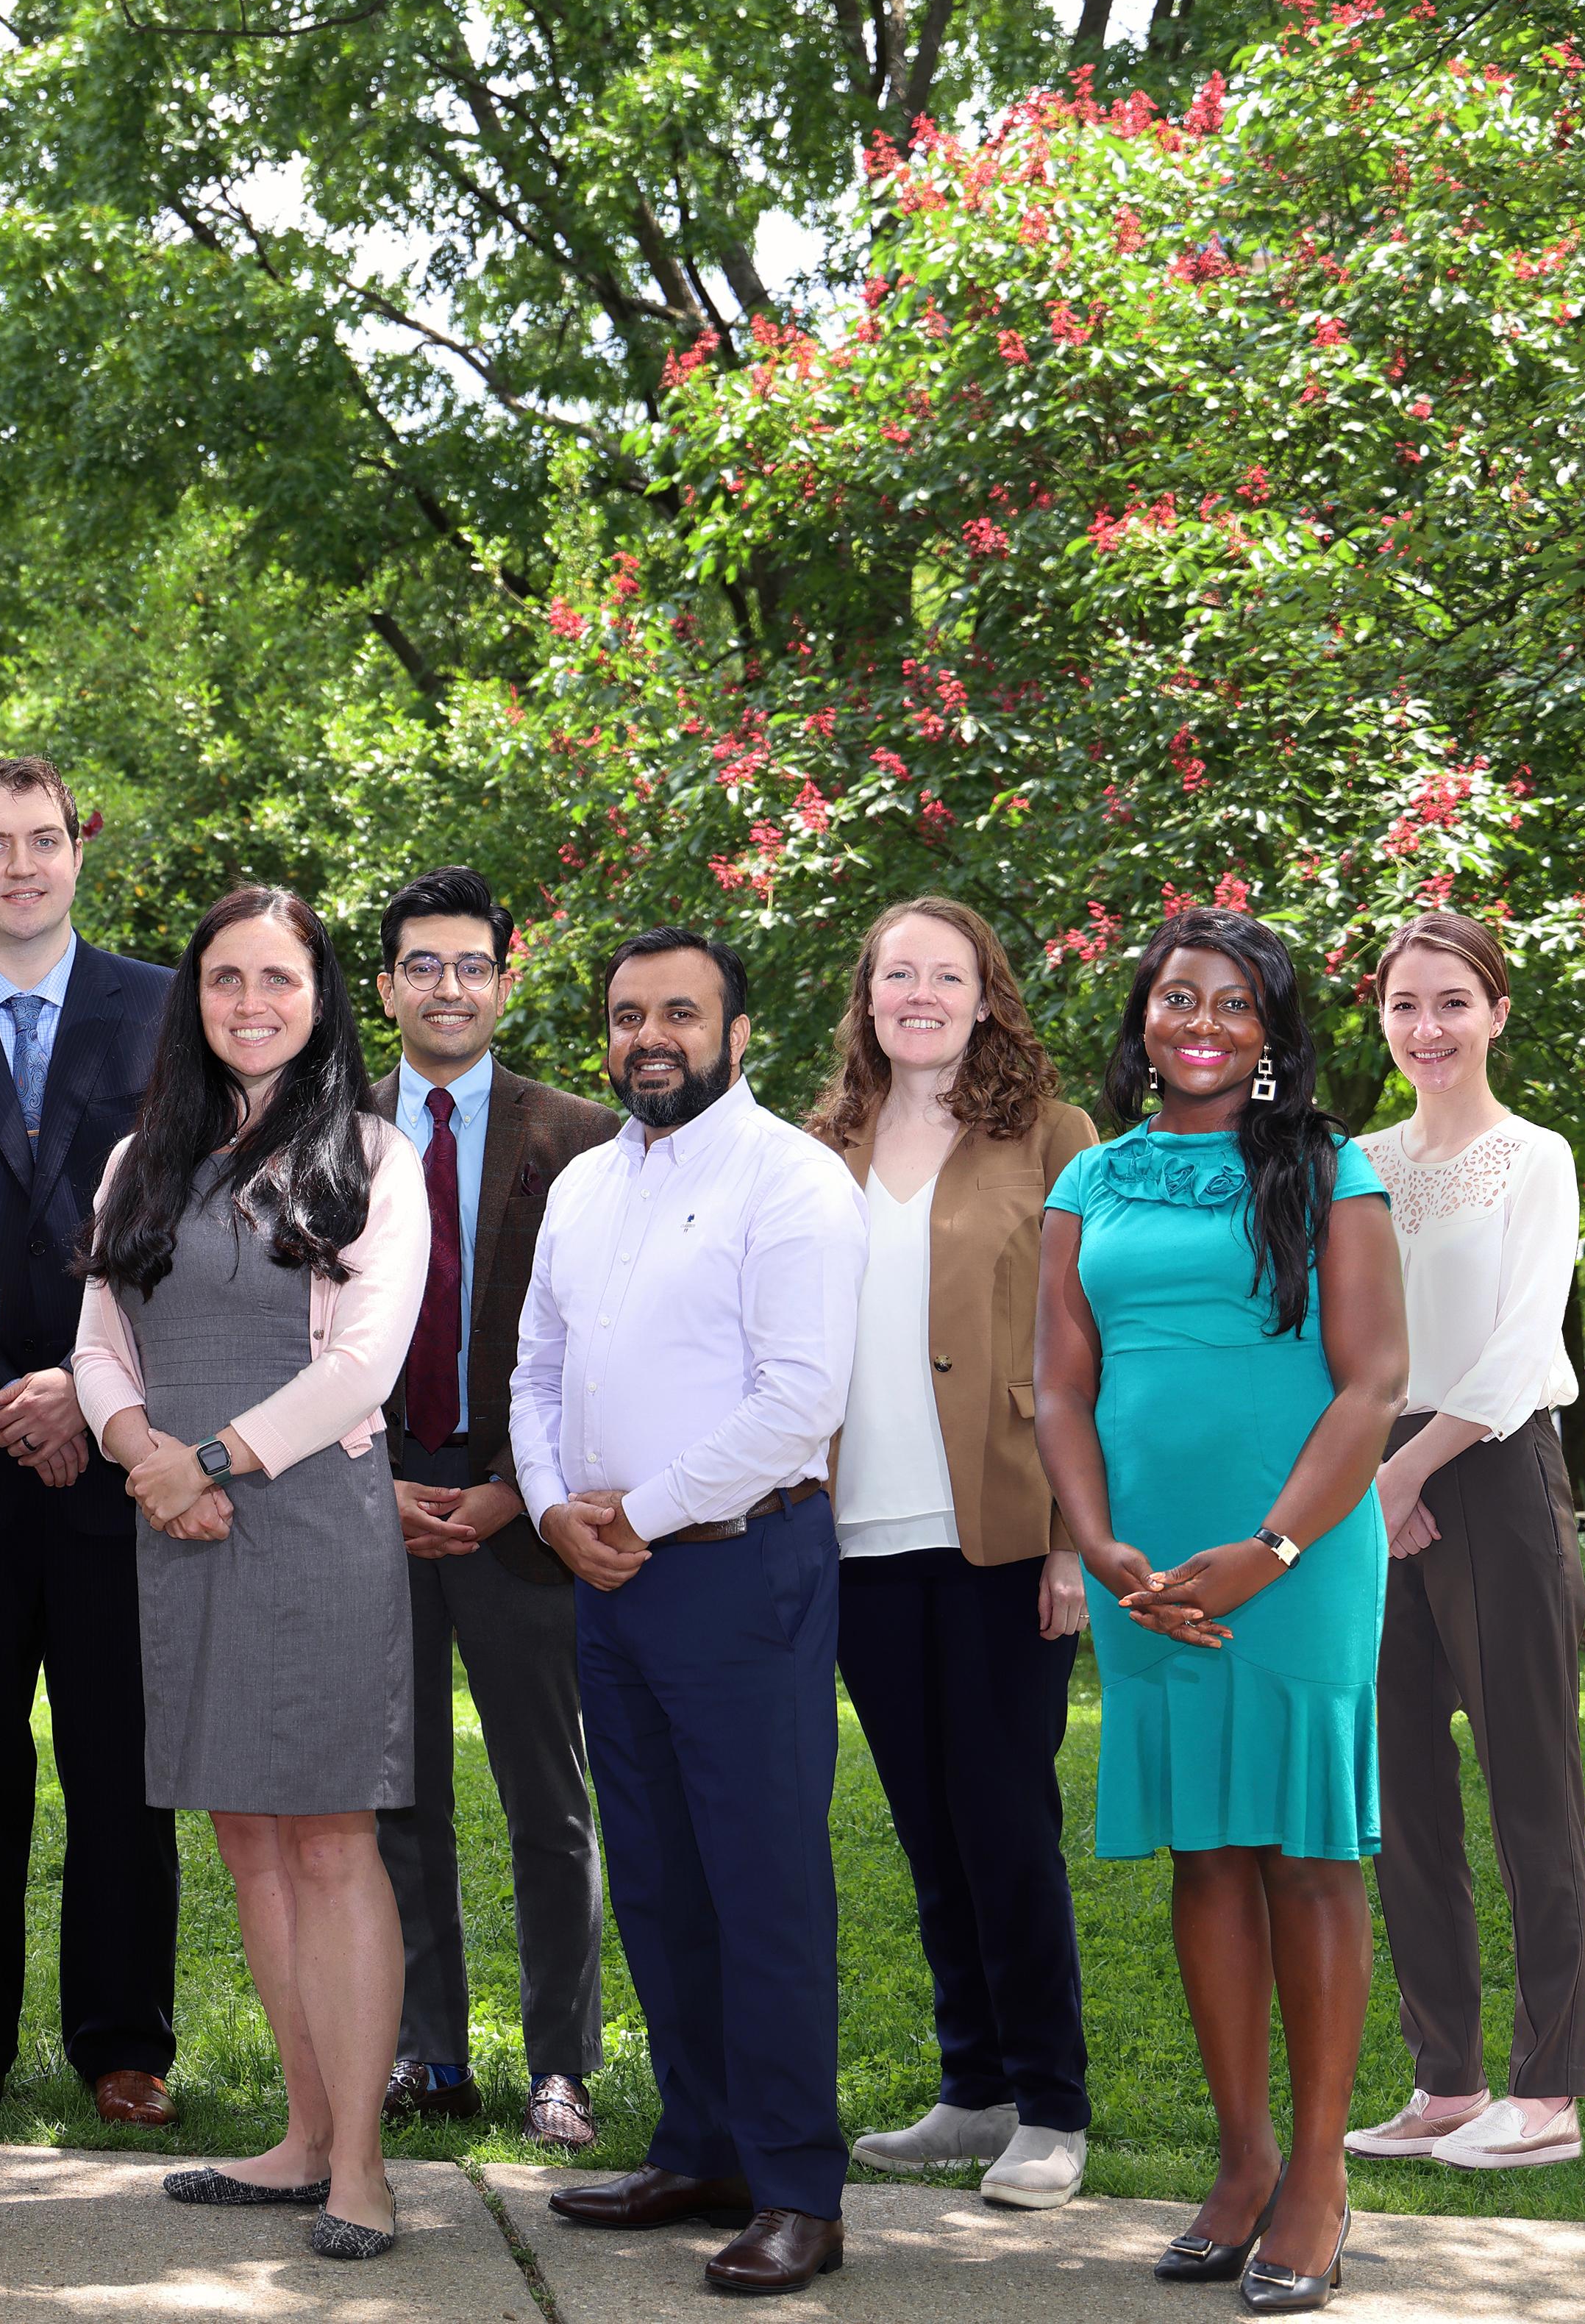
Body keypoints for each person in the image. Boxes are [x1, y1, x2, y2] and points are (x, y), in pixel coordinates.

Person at [1036, 906, 1406, 2316]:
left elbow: (1372, 1382)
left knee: (1305, 1848)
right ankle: (1242, 2163)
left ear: (1270, 1035)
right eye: (1176, 998)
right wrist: (1101, 1542)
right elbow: (1061, 1385)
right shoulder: (1093, 1177)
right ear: (1144, 1020)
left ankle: (1319, 2175)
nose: (1201, 1022)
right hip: (1146, 1564)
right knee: (1205, 1850)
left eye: (1233, 1005)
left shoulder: (1327, 1168)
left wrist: (1270, 1546)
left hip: (1293, 1557)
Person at [69, 886, 430, 2261]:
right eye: (226, 979)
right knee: (246, 1837)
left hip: (309, 1518)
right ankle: (293, 2136)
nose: (251, 1003)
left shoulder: (370, 1159)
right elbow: (99, 1338)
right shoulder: (140, 1161)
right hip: (180, 1517)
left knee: (331, 1838)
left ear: (322, 996)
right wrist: (137, 1448)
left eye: (278, 979)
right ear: (195, 999)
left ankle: (362, 2170)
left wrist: (201, 1463)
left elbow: (363, 1365)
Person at [520, 926, 864, 2297]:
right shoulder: (585, 1185)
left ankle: (796, 2187)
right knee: (658, 1878)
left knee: (764, 1883)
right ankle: (702, 2143)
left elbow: (800, 1398)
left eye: (678, 1012)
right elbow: (536, 1367)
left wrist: (632, 1515)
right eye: (625, 1014)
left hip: (739, 1567)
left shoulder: (795, 1182)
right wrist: (553, 1508)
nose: (647, 1035)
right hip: (606, 1575)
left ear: (736, 1035)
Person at [0, 756, 185, 2128]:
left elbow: (189, 1225)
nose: (22, 865)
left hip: (123, 1443)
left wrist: (82, 1383)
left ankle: (127, 2042)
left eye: (45, 841)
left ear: (80, 853)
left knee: (124, 1754)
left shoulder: (170, 1014)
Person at [804, 897, 1102, 2210]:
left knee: (1005, 1822)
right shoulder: (820, 1146)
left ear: (987, 996)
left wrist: (1071, 1544)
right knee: (929, 1828)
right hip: (855, 1540)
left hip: (1001, 1535)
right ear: (866, 998)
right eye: (895, 975)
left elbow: (1088, 1351)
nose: (919, 993)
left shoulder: (1053, 1136)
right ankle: (971, 2089)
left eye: (947, 974)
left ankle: (1053, 2107)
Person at [357, 868, 614, 2150]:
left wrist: (526, 1487)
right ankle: (426, 2054)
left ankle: (562, 2065)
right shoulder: (329, 1127)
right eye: (422, 965)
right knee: (397, 1793)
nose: (447, 987)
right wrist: (368, 1481)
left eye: (471, 965)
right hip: (371, 1496)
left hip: (525, 1505)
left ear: (505, 982)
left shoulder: (580, 1137)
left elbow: (603, 1341)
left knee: (547, 1798)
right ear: (390, 983)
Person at [1344, 910, 1585, 2173]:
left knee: (1529, 1785)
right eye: (1404, 1006)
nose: (1426, 1028)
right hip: (1377, 1482)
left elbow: (1517, 1343)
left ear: (1496, 1011)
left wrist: (1410, 1469)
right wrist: (1371, 1477)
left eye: (1451, 1002)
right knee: (1402, 1794)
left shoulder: (1534, 1156)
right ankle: (1445, 2080)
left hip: (1485, 1474)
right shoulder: (1360, 1161)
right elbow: (1333, 1331)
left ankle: (1547, 2093)